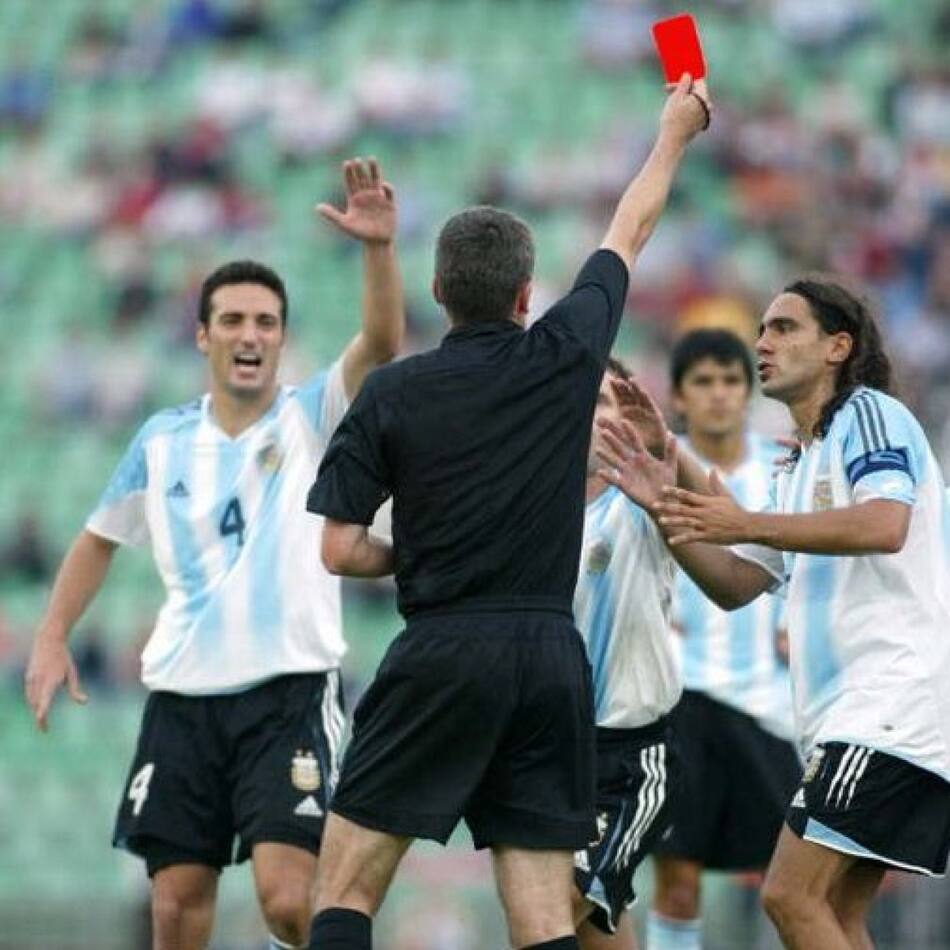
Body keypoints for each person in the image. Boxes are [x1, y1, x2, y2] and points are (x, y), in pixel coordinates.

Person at [304, 75, 711, 950]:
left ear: (441, 293)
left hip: (443, 648)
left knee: (342, 890)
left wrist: (411, 556)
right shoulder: (564, 357)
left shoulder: (394, 393)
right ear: (527, 295)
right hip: (548, 662)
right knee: (539, 914)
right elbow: (628, 227)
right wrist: (675, 129)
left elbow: (339, 550)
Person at [24, 157, 405, 950]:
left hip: (289, 693)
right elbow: (97, 540)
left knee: (289, 902)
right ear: (203, 335)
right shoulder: (161, 440)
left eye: (265, 322)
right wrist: (54, 635)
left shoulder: (308, 417)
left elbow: (379, 341)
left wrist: (376, 249)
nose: (250, 335)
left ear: (281, 338)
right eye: (232, 320)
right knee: (175, 911)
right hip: (183, 698)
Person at [596, 277, 950, 950]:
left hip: (890, 706)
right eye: (762, 329)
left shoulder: (867, 414)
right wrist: (661, 500)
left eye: (785, 328)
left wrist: (746, 517)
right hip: (847, 718)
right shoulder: (798, 460)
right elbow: (734, 581)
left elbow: (885, 523)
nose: (763, 342)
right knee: (835, 916)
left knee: (788, 898)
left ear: (837, 347)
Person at [648, 330, 800, 950]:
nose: (719, 395)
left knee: (793, 889)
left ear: (749, 389)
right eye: (703, 382)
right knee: (679, 884)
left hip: (771, 708)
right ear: (679, 397)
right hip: (681, 699)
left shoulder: (786, 467)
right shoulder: (655, 469)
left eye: (731, 380)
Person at [572, 357, 681, 950]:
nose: (601, 419)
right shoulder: (537, 508)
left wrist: (662, 448)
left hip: (630, 757)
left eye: (611, 405)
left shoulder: (644, 499)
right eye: (587, 403)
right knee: (595, 925)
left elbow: (690, 511)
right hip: (550, 750)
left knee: (550, 912)